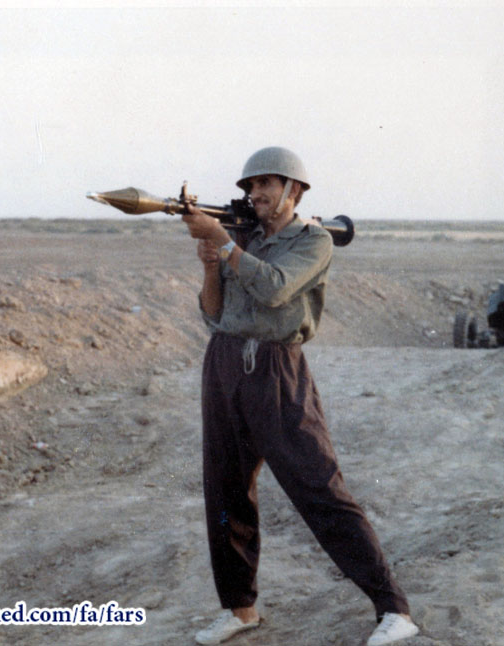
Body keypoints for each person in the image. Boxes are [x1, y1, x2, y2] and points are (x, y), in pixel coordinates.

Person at [181, 147, 419, 646]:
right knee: (225, 492)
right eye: (251, 185)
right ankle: (240, 610)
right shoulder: (243, 239)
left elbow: (274, 290)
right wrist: (211, 264)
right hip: (224, 363)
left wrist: (222, 242)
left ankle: (394, 608)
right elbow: (213, 315)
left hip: (276, 371)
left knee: (319, 487)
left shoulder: (313, 240)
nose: (256, 193)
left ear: (295, 190)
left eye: (267, 183)